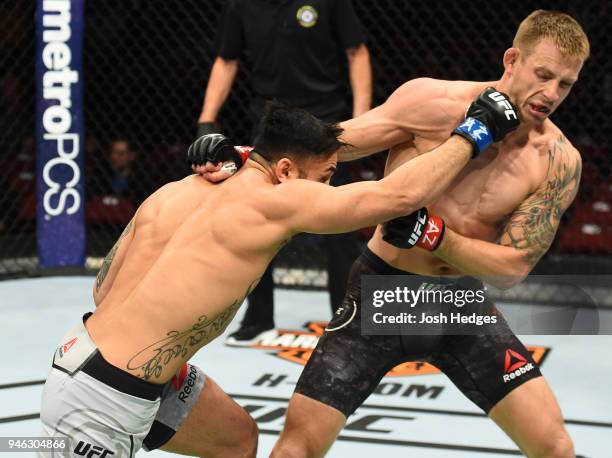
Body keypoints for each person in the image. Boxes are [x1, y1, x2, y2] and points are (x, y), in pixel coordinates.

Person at [39, 97, 518, 457]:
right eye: (326, 176)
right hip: (101, 400)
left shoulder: (180, 188)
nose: (327, 189)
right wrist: (476, 130)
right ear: (286, 170)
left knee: (237, 439)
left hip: (85, 353)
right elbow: (397, 197)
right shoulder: (273, 201)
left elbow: (102, 289)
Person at [268, 10, 588, 458]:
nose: (551, 94)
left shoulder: (557, 160)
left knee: (556, 447)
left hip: (459, 306)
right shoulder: (431, 103)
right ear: (512, 60)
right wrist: (241, 156)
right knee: (295, 448)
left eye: (566, 84)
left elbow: (512, 268)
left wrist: (433, 235)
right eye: (544, 75)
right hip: (383, 293)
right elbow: (325, 148)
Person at [197, 0, 373, 345]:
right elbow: (226, 59)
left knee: (337, 222)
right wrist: (207, 118)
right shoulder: (241, 6)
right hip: (270, 126)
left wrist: (362, 118)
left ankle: (346, 318)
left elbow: (357, 52)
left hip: (323, 120)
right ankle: (259, 317)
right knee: (254, 220)